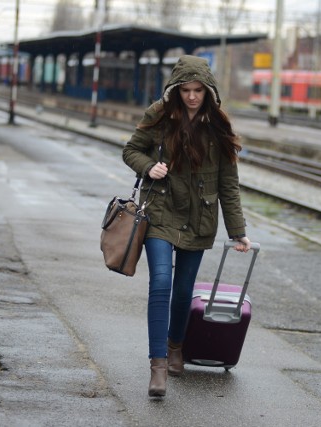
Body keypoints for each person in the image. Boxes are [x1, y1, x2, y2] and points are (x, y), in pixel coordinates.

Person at [122, 55, 251, 398]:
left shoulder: (219, 128)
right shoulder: (159, 115)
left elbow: (228, 185)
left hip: (199, 221)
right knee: (161, 283)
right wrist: (148, 166)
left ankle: (177, 345)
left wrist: (237, 231)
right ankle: (158, 365)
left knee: (183, 293)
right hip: (161, 213)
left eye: (198, 90)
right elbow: (131, 150)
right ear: (175, 90)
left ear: (208, 91)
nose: (192, 96)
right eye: (185, 90)